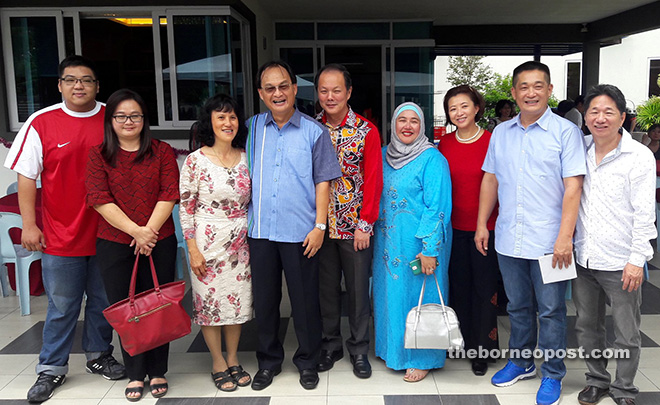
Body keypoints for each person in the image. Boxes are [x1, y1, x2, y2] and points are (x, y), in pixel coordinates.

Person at [4, 55, 126, 403]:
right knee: (62, 306)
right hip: (61, 234)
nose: (79, 86)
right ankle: (51, 368)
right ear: (59, 85)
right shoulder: (41, 122)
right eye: (71, 80)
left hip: (108, 232)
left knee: (104, 302)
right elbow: (26, 177)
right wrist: (30, 224)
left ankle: (99, 356)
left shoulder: (111, 118)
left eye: (86, 80)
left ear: (97, 86)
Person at [475, 61, 586, 405]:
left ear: (550, 91)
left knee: (551, 310)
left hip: (552, 243)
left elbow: (573, 187)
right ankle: (521, 361)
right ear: (513, 93)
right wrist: (482, 223)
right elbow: (490, 179)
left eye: (538, 86)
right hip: (509, 238)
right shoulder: (502, 133)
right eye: (523, 87)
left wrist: (565, 237)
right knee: (519, 306)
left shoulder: (565, 133)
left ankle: (552, 373)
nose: (531, 93)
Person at [245, 60, 342, 391]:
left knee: (304, 302)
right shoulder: (251, 128)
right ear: (261, 93)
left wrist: (320, 225)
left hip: (301, 233)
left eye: (283, 86)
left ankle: (307, 360)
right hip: (260, 232)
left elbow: (323, 183)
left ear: (294, 89)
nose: (277, 93)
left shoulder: (315, 132)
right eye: (270, 88)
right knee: (266, 301)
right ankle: (268, 362)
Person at [86, 89, 179, 401]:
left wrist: (148, 232)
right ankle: (135, 373)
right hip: (114, 242)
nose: (128, 121)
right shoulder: (98, 155)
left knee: (157, 304)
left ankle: (159, 371)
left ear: (144, 119)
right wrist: (136, 233)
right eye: (121, 116)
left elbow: (169, 193)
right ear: (110, 120)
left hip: (160, 241)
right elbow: (99, 200)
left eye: (135, 115)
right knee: (128, 309)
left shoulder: (162, 151)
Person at [573, 85, 656, 405]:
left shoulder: (639, 156)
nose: (600, 118)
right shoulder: (578, 149)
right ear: (585, 116)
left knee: (627, 331)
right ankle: (597, 380)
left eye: (609, 112)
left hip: (621, 260)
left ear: (623, 117)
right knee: (587, 326)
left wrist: (638, 258)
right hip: (583, 256)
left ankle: (623, 388)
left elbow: (645, 213)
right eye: (594, 111)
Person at [372, 102, 452, 383]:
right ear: (393, 124)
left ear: (422, 127)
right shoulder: (383, 156)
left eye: (414, 121)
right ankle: (392, 351)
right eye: (401, 120)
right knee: (391, 296)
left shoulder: (433, 159)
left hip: (419, 246)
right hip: (388, 244)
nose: (407, 126)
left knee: (422, 299)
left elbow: (437, 207)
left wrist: (430, 249)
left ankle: (423, 358)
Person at [179, 93, 253, 392]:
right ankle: (217, 361)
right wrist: (192, 249)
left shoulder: (248, 156)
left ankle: (233, 358)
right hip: (206, 241)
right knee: (209, 304)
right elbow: (185, 207)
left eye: (232, 116)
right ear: (210, 122)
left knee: (236, 303)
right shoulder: (195, 160)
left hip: (240, 241)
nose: (228, 122)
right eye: (221, 117)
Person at [313, 64, 383, 379]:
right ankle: (331, 345)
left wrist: (365, 224)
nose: (330, 96)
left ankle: (358, 349)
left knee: (357, 291)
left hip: (355, 228)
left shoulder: (366, 130)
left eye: (336, 90)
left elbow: (374, 180)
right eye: (324, 90)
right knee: (326, 290)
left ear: (349, 92)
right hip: (320, 228)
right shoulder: (311, 128)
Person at [438, 85, 499, 376]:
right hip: (453, 230)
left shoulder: (492, 141)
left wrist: (482, 226)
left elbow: (497, 184)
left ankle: (482, 350)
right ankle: (460, 341)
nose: (459, 112)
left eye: (464, 106)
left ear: (476, 107)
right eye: (453, 108)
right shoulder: (444, 144)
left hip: (485, 229)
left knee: (484, 290)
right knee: (458, 287)